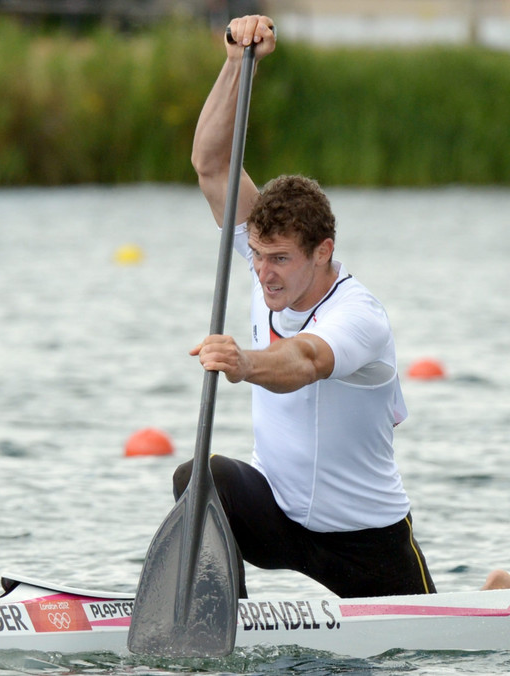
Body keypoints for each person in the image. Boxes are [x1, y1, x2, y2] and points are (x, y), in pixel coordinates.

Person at [173, 14, 436, 600]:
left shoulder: (360, 317)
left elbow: (306, 361)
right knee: (199, 477)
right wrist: (239, 63)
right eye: (258, 255)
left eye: (281, 260)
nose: (264, 272)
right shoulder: (263, 255)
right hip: (281, 520)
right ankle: (221, 619)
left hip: (367, 543)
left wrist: (243, 364)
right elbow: (212, 165)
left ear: (324, 252)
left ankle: (493, 591)